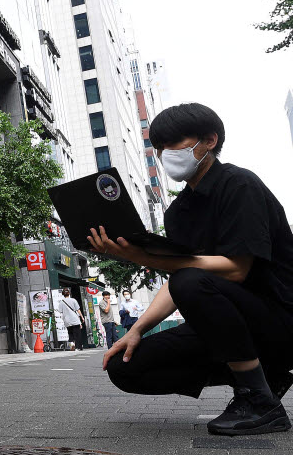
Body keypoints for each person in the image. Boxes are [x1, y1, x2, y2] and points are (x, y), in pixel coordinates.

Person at [92, 103, 293, 436]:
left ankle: (258, 399)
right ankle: (264, 375)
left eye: (174, 143)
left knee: (191, 279)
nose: (165, 153)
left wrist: (145, 258)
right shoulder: (178, 212)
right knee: (123, 366)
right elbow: (178, 283)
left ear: (209, 140)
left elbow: (236, 270)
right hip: (227, 325)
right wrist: (136, 330)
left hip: (279, 318)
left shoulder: (239, 185)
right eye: (159, 147)